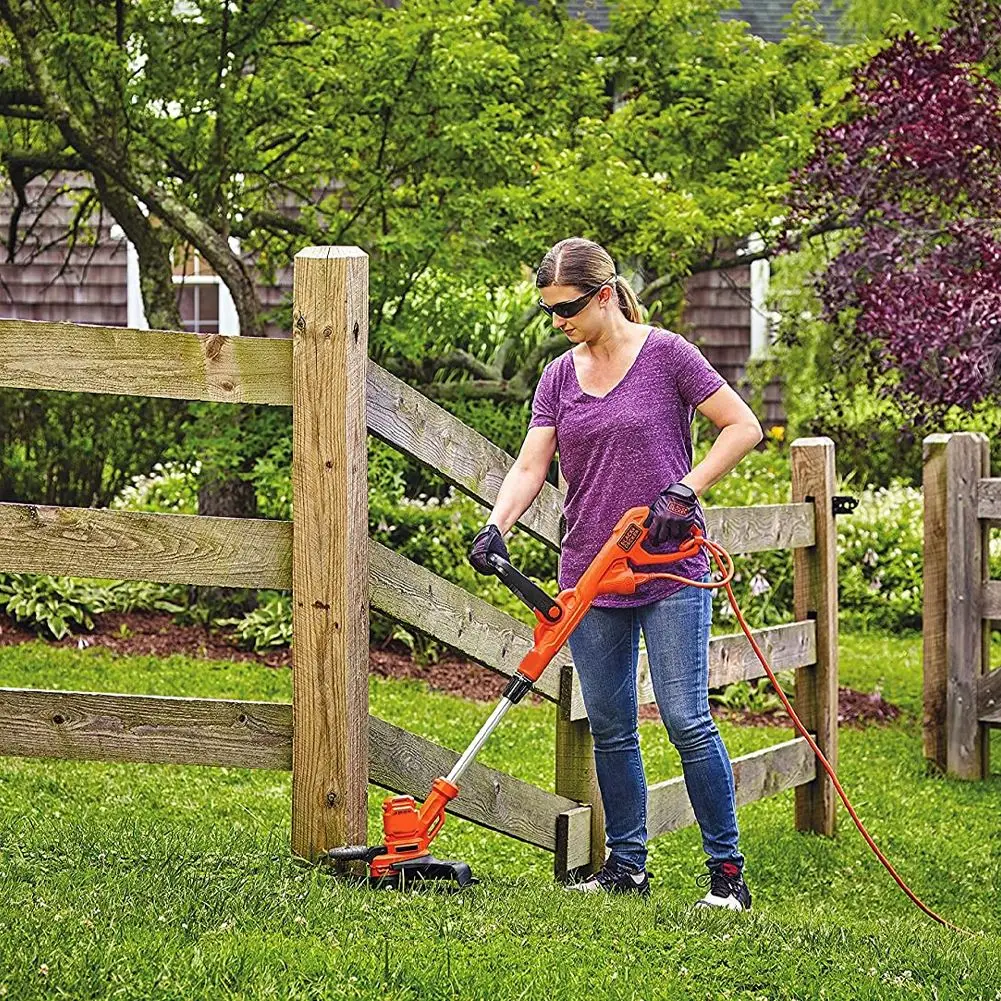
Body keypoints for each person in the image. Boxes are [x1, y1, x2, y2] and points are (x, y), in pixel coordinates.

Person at [468, 237, 763, 909]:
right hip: (591, 574)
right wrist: (497, 525)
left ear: (604, 296)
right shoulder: (558, 377)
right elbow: (530, 465)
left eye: (566, 308)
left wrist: (685, 489)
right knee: (610, 725)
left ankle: (727, 876)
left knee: (686, 719)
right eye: (548, 310)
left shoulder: (667, 355)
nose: (557, 321)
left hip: (668, 566)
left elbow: (742, 426)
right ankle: (626, 866)